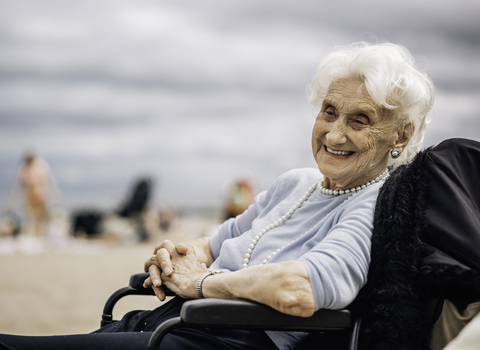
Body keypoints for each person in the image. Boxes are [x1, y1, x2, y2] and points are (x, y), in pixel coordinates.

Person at [0, 41, 435, 350]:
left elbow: (300, 288)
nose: (335, 133)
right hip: (171, 323)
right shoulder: (296, 183)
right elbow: (209, 245)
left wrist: (201, 284)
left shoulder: (379, 203)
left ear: (401, 134)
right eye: (329, 111)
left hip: (224, 338)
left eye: (360, 120)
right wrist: (172, 253)